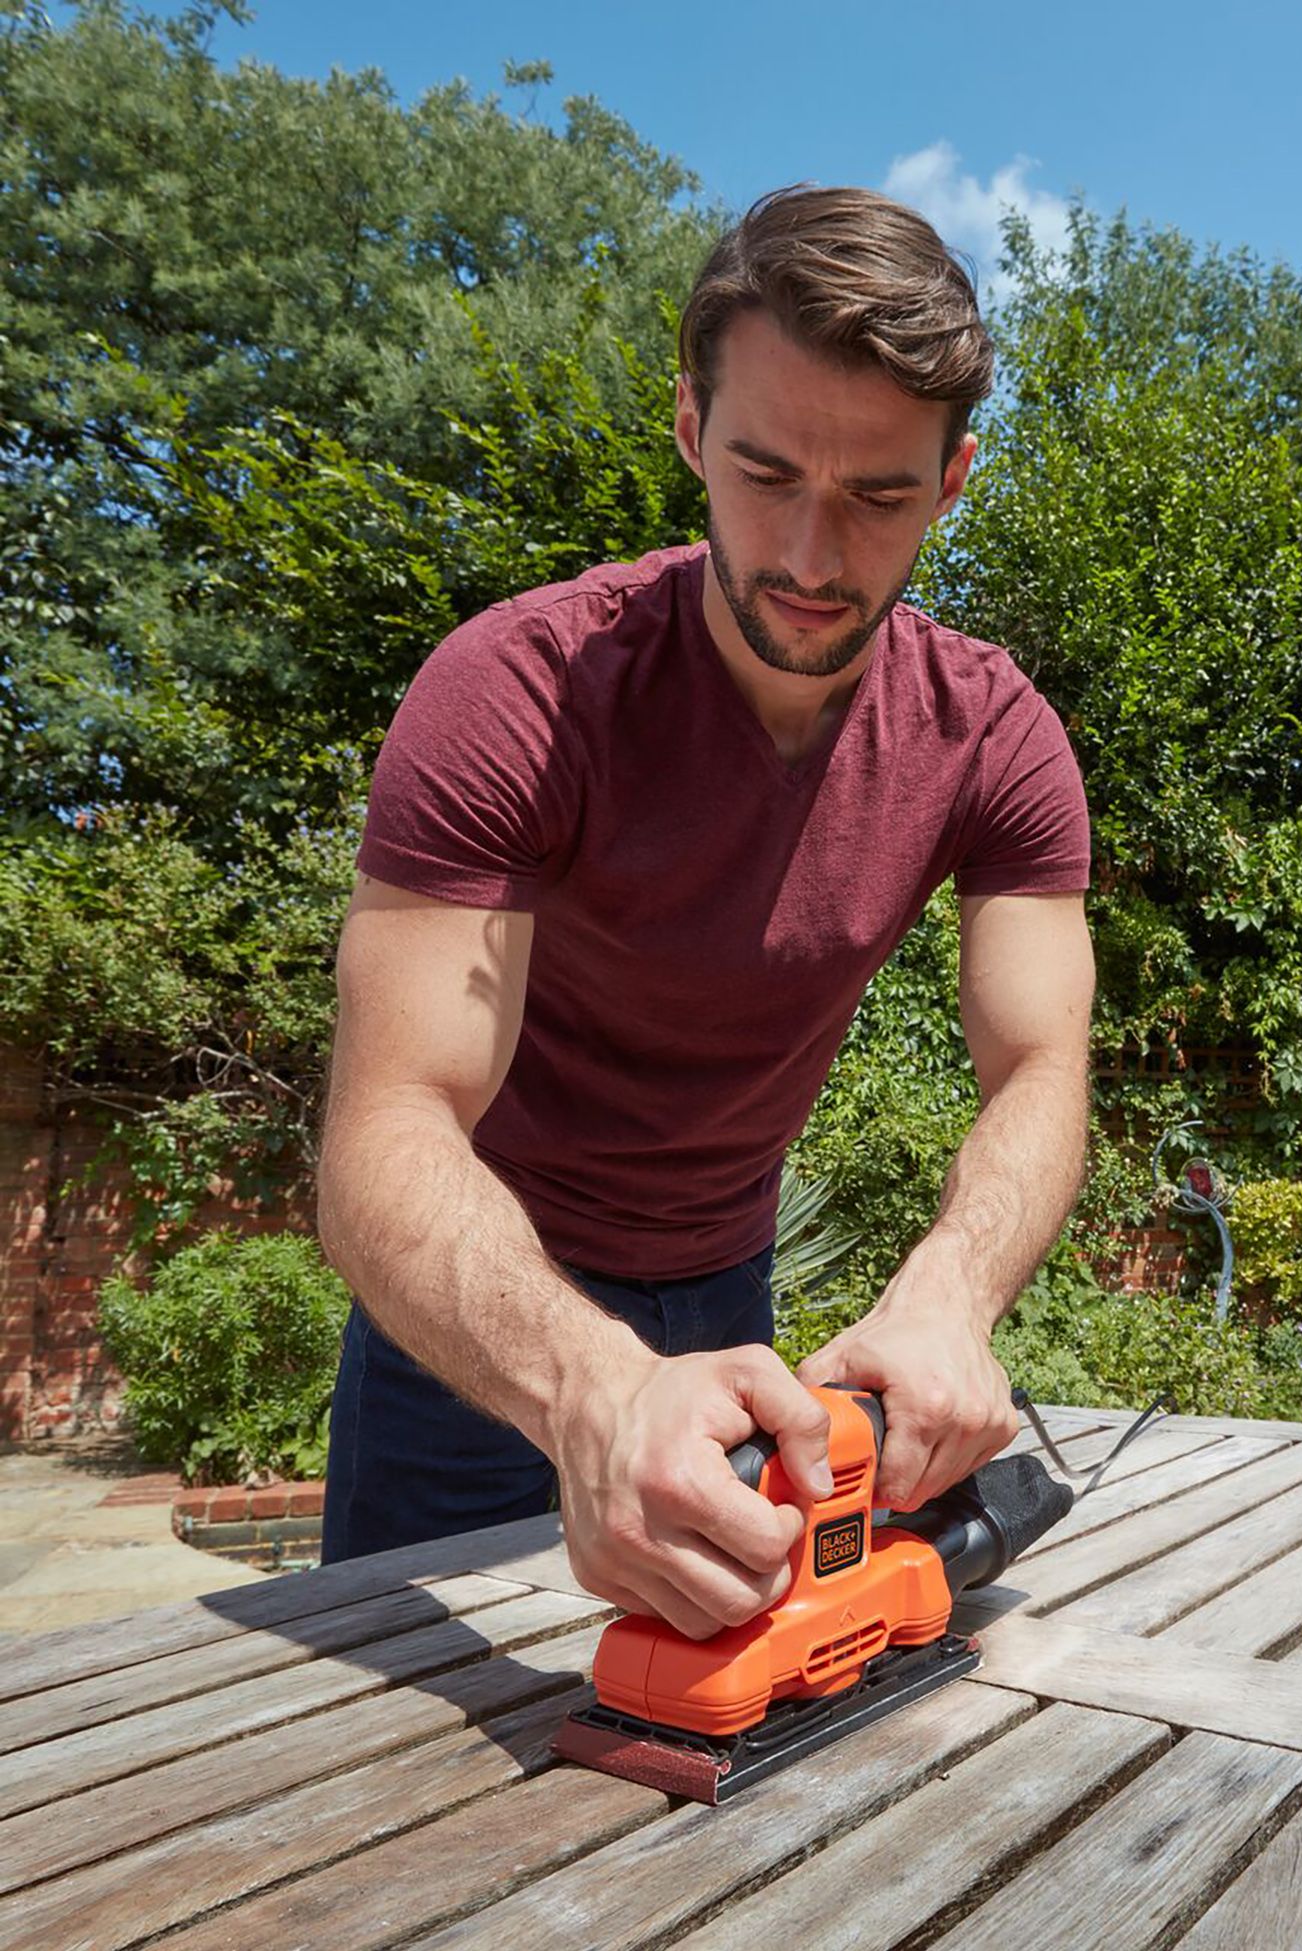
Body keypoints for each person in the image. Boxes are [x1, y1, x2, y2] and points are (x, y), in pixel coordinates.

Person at [314, 185, 1095, 1641]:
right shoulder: (513, 694)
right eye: (764, 472)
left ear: (955, 481)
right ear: (689, 432)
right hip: (476, 1316)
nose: (810, 555)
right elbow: (384, 1132)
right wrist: (590, 1388)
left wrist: (952, 1291)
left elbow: (1043, 1063)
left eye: (878, 498)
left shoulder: (995, 736)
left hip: (730, 1292)